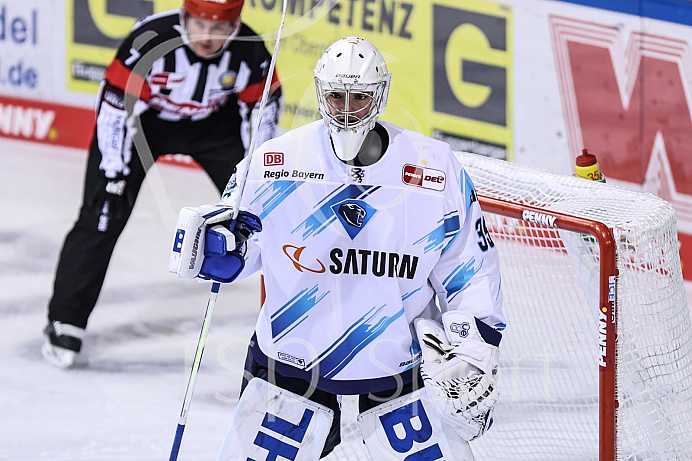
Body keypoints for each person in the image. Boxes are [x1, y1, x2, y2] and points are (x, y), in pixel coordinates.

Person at [170, 37, 504, 460]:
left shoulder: (433, 168)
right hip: (288, 369)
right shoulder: (274, 162)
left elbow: (469, 265)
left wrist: (472, 345)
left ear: (379, 95)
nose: (346, 109)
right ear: (320, 93)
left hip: (399, 374)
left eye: (359, 97)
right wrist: (218, 248)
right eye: (335, 96)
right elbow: (238, 242)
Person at [42, 0, 282, 368]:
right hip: (145, 125)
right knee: (101, 215)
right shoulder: (150, 38)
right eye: (200, 24)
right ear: (185, 17)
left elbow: (265, 110)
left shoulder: (250, 49)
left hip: (213, 127)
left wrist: (259, 172)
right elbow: (113, 104)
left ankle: (285, 329)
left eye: (219, 28)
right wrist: (114, 169)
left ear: (234, 27)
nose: (208, 36)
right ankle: (66, 319)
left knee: (266, 219)